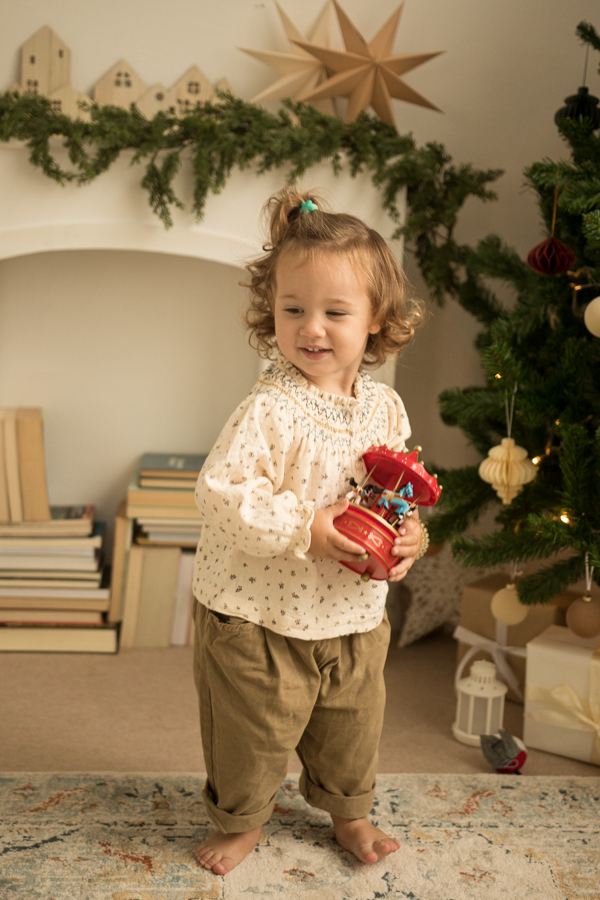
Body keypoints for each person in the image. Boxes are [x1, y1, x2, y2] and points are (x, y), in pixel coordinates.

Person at [192, 187, 427, 876]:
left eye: (334, 312)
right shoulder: (270, 408)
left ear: (376, 318)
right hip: (259, 612)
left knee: (354, 724)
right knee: (253, 733)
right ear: (272, 312)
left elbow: (403, 489)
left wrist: (411, 535)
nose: (310, 328)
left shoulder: (385, 406)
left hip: (352, 613)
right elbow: (222, 495)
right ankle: (242, 821)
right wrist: (309, 527)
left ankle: (350, 813)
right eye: (293, 309)